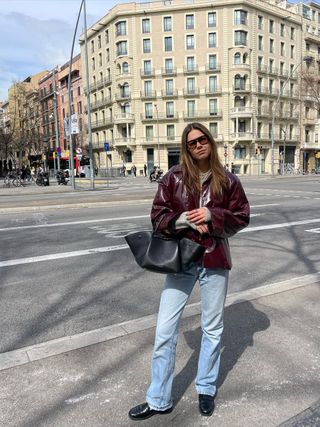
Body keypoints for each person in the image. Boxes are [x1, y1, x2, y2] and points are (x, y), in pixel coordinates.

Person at [129, 122, 250, 421]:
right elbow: (158, 216)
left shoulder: (228, 180)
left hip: (214, 257)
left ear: (210, 141)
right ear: (186, 148)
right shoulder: (173, 178)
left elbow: (242, 217)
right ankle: (159, 399)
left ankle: (206, 389)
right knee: (165, 330)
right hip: (180, 259)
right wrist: (182, 219)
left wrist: (213, 214)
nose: (198, 146)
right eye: (191, 143)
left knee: (212, 329)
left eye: (202, 140)